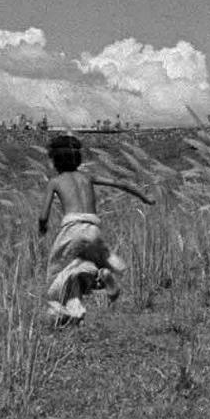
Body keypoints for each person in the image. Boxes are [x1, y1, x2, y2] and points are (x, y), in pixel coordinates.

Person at [38, 134, 154, 325]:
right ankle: (101, 277)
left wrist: (42, 228)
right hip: (93, 228)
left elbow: (43, 215)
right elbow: (121, 184)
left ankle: (61, 312)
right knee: (82, 266)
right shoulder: (87, 177)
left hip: (71, 229)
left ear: (55, 160)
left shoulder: (55, 182)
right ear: (78, 158)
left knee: (57, 272)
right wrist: (145, 198)